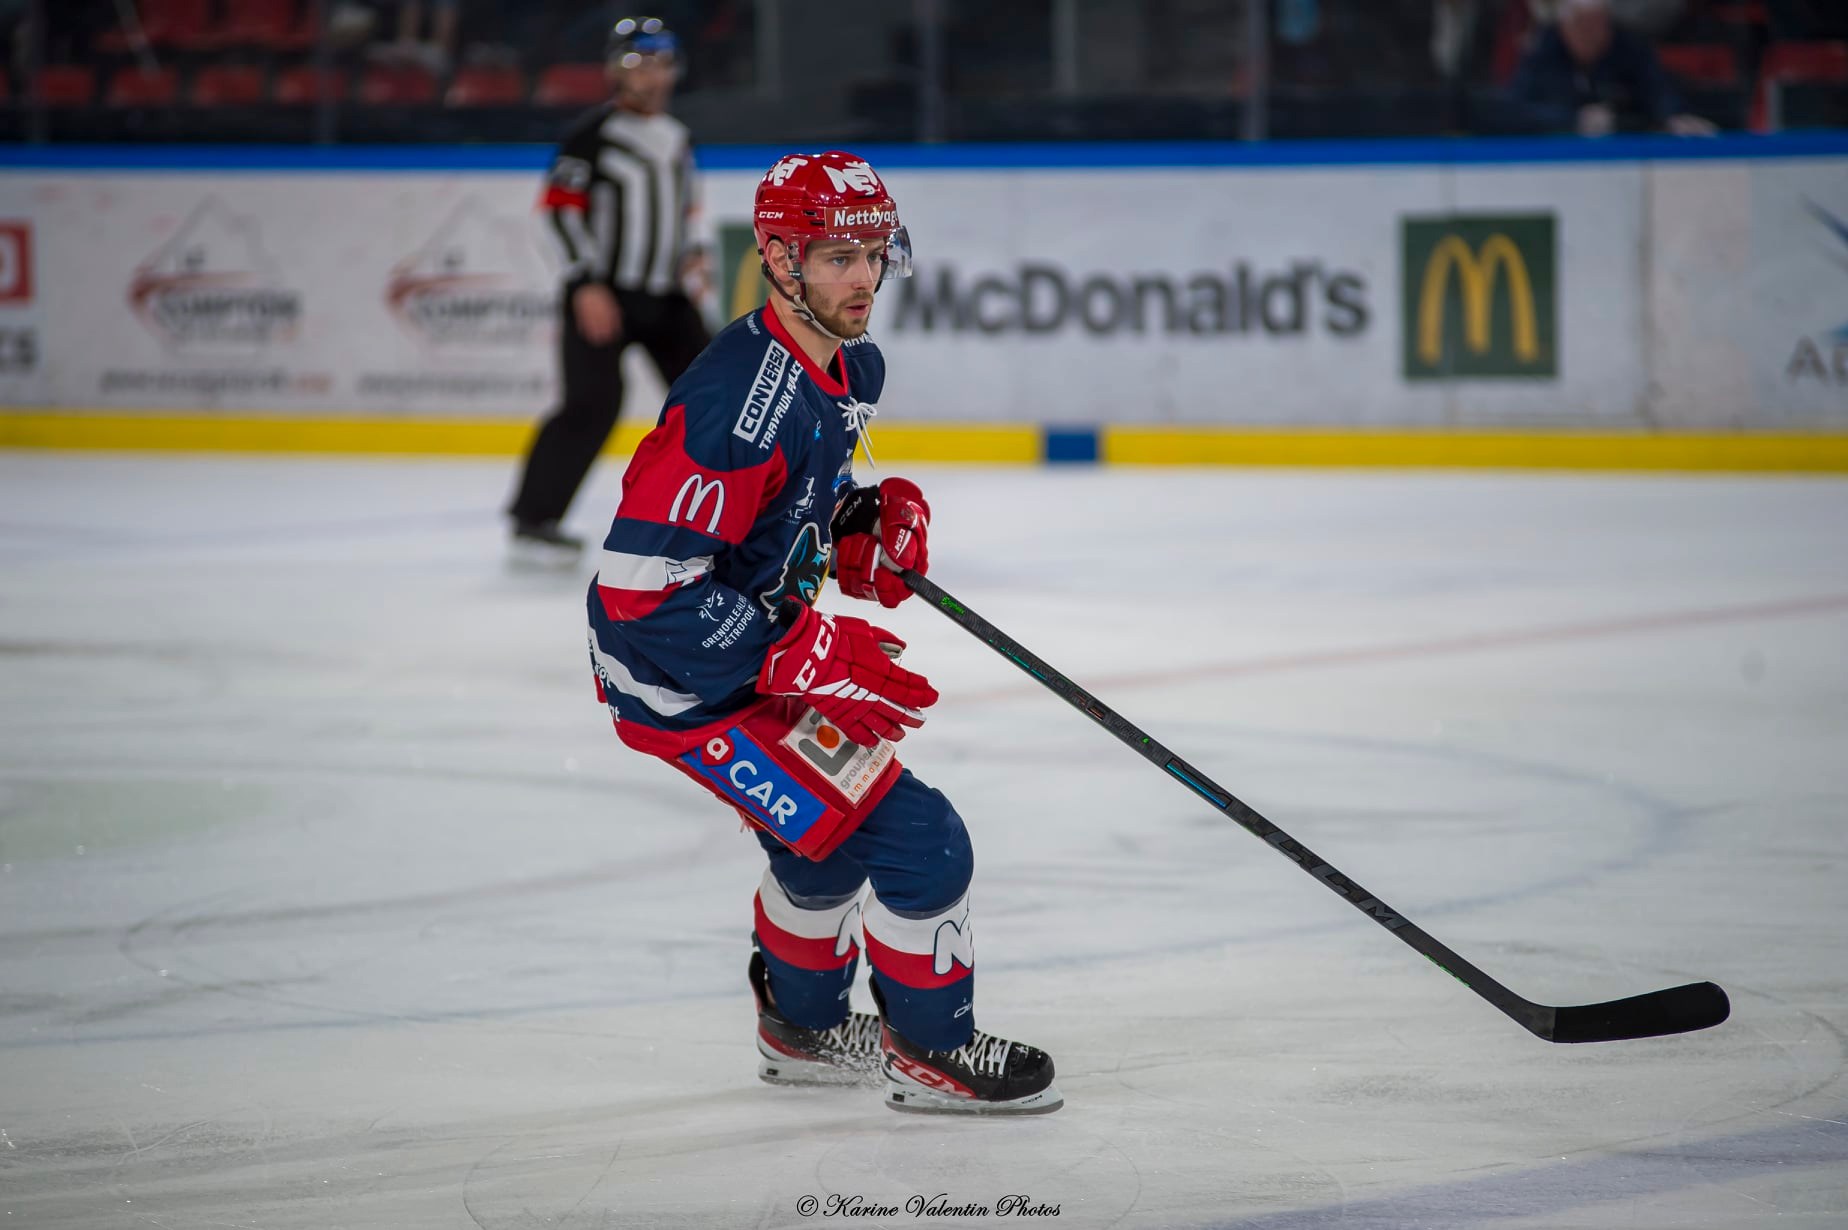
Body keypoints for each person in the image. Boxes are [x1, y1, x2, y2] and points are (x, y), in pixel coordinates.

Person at [584, 150, 1062, 1116]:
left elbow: (785, 505)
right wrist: (787, 648)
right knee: (923, 843)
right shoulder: (731, 404)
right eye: (837, 256)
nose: (863, 280)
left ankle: (799, 1032)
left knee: (826, 850)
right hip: (679, 680)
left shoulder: (846, 364)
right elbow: (639, 588)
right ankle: (934, 1052)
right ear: (779, 257)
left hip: (742, 654)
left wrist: (854, 522)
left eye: (874, 254)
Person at [509, 16, 713, 562]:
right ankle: (534, 520)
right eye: (638, 63)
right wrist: (584, 283)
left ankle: (744, 515)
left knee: (721, 392)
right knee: (591, 404)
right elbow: (558, 215)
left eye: (661, 62)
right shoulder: (592, 137)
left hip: (667, 296)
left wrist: (696, 254)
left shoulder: (677, 137)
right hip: (604, 292)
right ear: (614, 71)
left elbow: (687, 208)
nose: (652, 75)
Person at [1509, 0, 1715, 136]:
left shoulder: (1627, 46)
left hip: (1624, 151)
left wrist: (1673, 115)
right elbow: (1517, 109)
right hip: (1557, 155)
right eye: (1583, 26)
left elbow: (1657, 89)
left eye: (1600, 24)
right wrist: (1573, 121)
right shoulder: (1544, 50)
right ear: (1565, 26)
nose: (1594, 34)